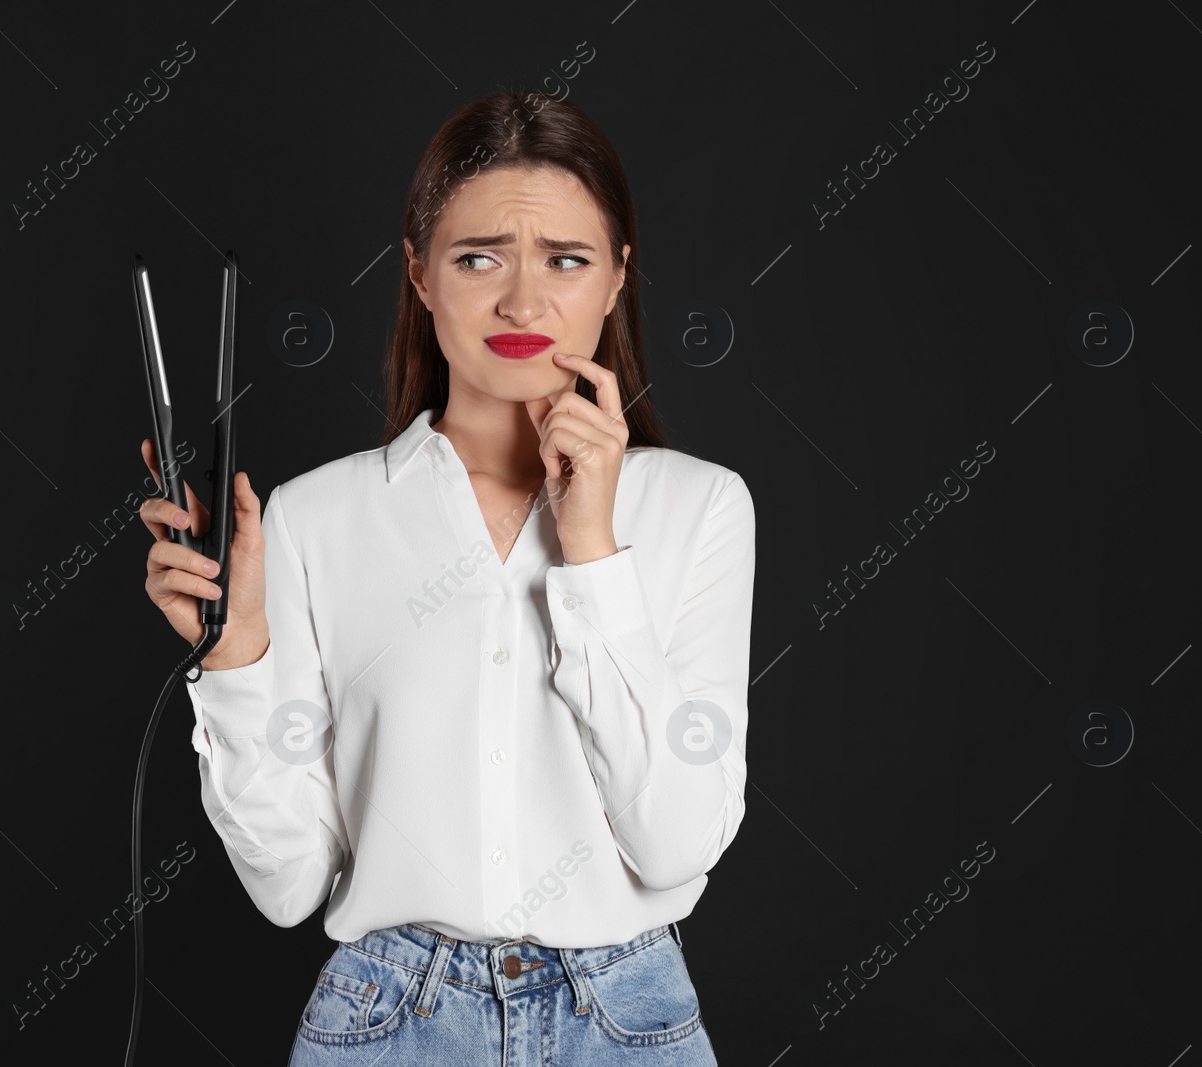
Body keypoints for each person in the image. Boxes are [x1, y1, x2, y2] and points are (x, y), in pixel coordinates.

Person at [139, 90, 754, 1065]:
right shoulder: (314, 519)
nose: (521, 300)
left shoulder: (699, 508)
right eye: (478, 258)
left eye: (565, 259)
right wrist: (240, 651)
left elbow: (677, 841)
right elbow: (288, 884)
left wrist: (590, 546)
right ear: (420, 276)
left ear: (616, 280)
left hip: (624, 1022)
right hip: (388, 1020)